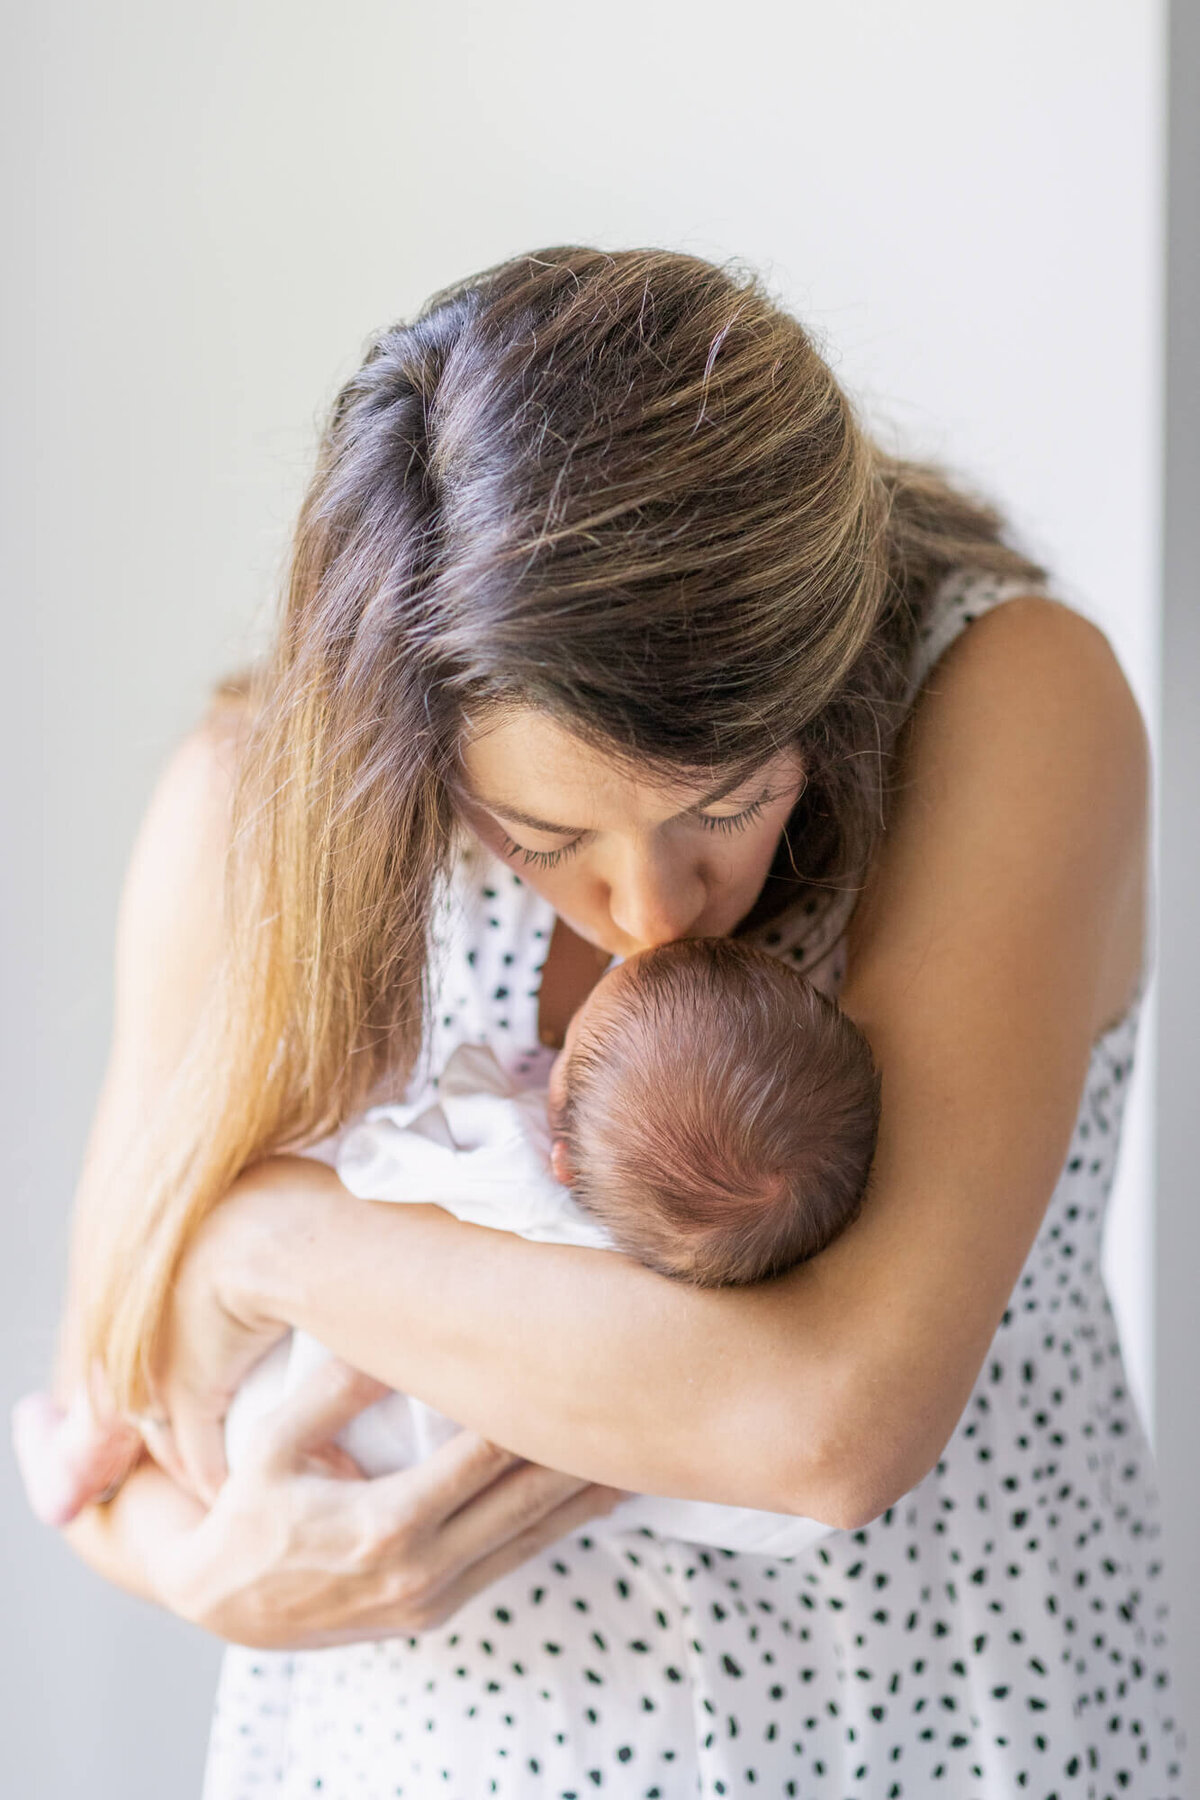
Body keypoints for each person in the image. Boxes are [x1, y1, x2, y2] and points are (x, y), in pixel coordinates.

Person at [20, 245, 1184, 1794]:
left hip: (932, 1733)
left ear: (823, 678)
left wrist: (266, 1243)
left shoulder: (1004, 697)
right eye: (544, 840)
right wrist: (207, 1579)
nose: (648, 913)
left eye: (721, 804)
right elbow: (110, 1424)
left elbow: (829, 1424)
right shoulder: (253, 817)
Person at [19, 936, 880, 1555]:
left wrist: (484, 1083)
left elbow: (376, 1164)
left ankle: (81, 1443)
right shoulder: (719, 1325)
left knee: (154, 1360)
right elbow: (771, 1515)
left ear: (562, 1157)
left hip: (294, 1402)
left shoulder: (511, 1167)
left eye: (565, 1055)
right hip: (402, 1488)